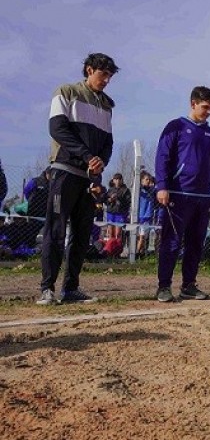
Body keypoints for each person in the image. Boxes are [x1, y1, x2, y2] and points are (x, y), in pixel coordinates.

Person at [38, 53, 119, 305]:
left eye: (109, 76)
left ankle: (71, 288)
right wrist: (87, 156)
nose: (106, 80)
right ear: (88, 70)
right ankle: (47, 289)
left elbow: (108, 141)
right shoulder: (66, 92)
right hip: (65, 171)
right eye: (102, 74)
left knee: (82, 234)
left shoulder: (106, 105)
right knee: (56, 230)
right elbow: (57, 129)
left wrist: (100, 163)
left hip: (89, 178)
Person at [154, 86, 210, 302]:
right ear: (193, 104)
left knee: (196, 243)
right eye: (206, 107)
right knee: (172, 242)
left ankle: (188, 285)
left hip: (203, 197)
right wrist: (162, 186)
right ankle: (163, 286)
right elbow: (163, 157)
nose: (209, 112)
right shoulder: (175, 127)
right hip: (178, 194)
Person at [104, 173, 131, 240]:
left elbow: (128, 202)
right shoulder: (110, 189)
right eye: (116, 179)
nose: (117, 181)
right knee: (110, 233)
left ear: (122, 180)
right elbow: (105, 201)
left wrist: (119, 199)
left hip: (120, 213)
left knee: (118, 233)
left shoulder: (126, 190)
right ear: (113, 180)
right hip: (110, 212)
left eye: (119, 179)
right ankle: (110, 248)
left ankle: (117, 248)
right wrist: (110, 199)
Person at [137, 171, 156, 257]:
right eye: (146, 179)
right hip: (141, 216)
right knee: (142, 236)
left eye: (149, 179)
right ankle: (136, 253)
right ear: (141, 180)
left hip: (149, 216)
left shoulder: (152, 190)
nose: (148, 181)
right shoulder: (140, 189)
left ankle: (141, 252)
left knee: (145, 237)